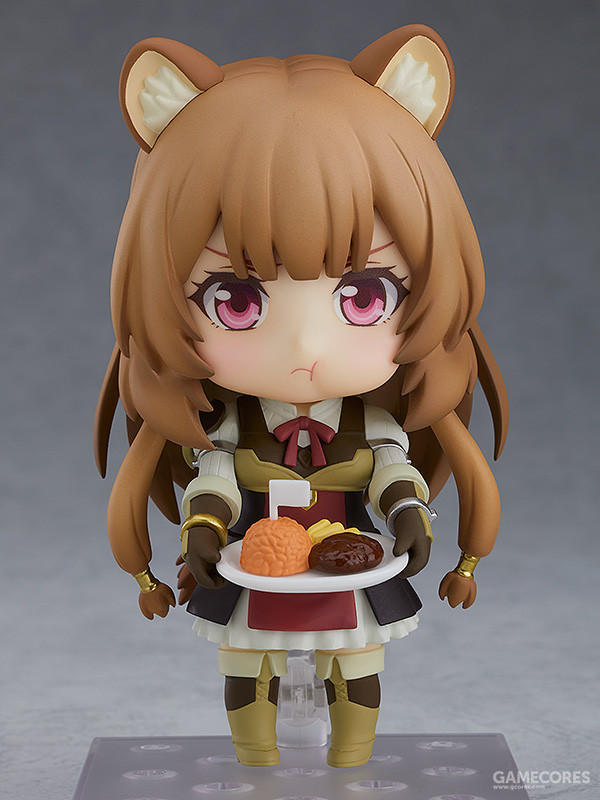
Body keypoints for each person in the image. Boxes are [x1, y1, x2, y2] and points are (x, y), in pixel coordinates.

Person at [95, 24, 508, 769]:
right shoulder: (232, 427)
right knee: (244, 665)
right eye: (235, 301)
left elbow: (391, 471)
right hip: (251, 569)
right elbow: (217, 479)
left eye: (365, 296)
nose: (306, 348)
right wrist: (202, 530)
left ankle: (352, 763)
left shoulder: (370, 423)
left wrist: (409, 514)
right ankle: (256, 761)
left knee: (357, 663)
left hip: (353, 572)